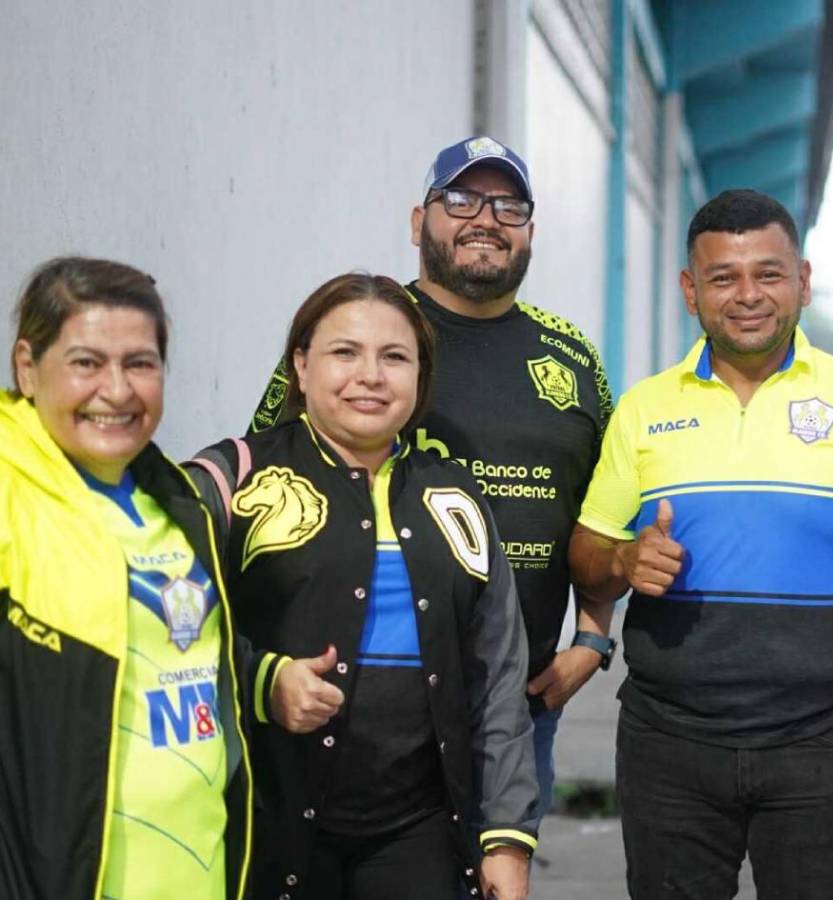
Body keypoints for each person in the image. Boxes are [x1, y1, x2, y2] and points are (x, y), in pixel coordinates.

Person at [568, 189, 833, 899]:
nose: (748, 295)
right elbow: (587, 556)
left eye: (768, 274)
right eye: (723, 277)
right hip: (668, 742)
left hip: (827, 744)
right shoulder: (646, 408)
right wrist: (623, 561)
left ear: (802, 281)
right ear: (691, 291)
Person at [248, 136, 614, 822]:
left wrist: (592, 641)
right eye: (461, 198)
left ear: (530, 230)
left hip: (513, 707)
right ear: (419, 222)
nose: (486, 218)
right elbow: (261, 480)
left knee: (498, 873)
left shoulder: (575, 358)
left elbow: (605, 513)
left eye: (509, 205)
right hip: (343, 696)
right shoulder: (364, 336)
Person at [188, 273, 538, 900]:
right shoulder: (230, 480)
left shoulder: (455, 500)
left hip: (419, 832)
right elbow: (161, 623)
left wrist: (507, 836)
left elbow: (499, 679)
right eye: (344, 352)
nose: (370, 376)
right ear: (300, 364)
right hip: (263, 821)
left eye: (395, 357)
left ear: (420, 375)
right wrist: (263, 680)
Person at [0, 257, 252, 899]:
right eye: (86, 362)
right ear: (26, 367)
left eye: (140, 363)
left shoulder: (176, 502)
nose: (117, 390)